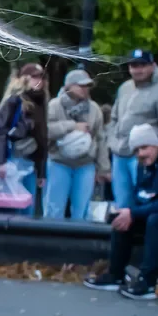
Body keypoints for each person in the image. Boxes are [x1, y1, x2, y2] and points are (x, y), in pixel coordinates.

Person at [85, 122, 158, 298]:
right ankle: (116, 274)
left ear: (155, 145)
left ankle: (148, 282)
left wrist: (134, 212)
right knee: (122, 218)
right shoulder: (143, 164)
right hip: (156, 211)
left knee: (156, 220)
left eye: (144, 148)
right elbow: (141, 195)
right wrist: (127, 212)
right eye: (136, 151)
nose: (140, 154)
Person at [105, 47, 158, 207]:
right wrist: (112, 143)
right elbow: (113, 119)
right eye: (134, 65)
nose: (138, 69)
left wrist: (154, 150)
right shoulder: (124, 87)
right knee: (122, 203)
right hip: (119, 154)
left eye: (142, 65)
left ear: (152, 65)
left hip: (143, 157)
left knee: (144, 201)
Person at [45, 65, 106, 220]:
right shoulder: (54, 105)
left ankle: (79, 237)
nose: (85, 89)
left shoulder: (94, 108)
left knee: (82, 211)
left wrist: (104, 168)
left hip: (85, 165)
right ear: (69, 86)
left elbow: (100, 139)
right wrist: (72, 126)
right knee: (54, 209)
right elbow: (46, 131)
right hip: (59, 163)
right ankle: (51, 235)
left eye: (88, 86)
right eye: (81, 85)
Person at [0, 62, 47, 208]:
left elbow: (42, 139)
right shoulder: (14, 100)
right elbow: (0, 131)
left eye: (42, 77)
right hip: (13, 160)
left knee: (28, 208)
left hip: (31, 163)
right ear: (24, 78)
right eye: (35, 77)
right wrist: (1, 162)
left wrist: (41, 172)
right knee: (10, 208)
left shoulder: (41, 102)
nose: (39, 80)